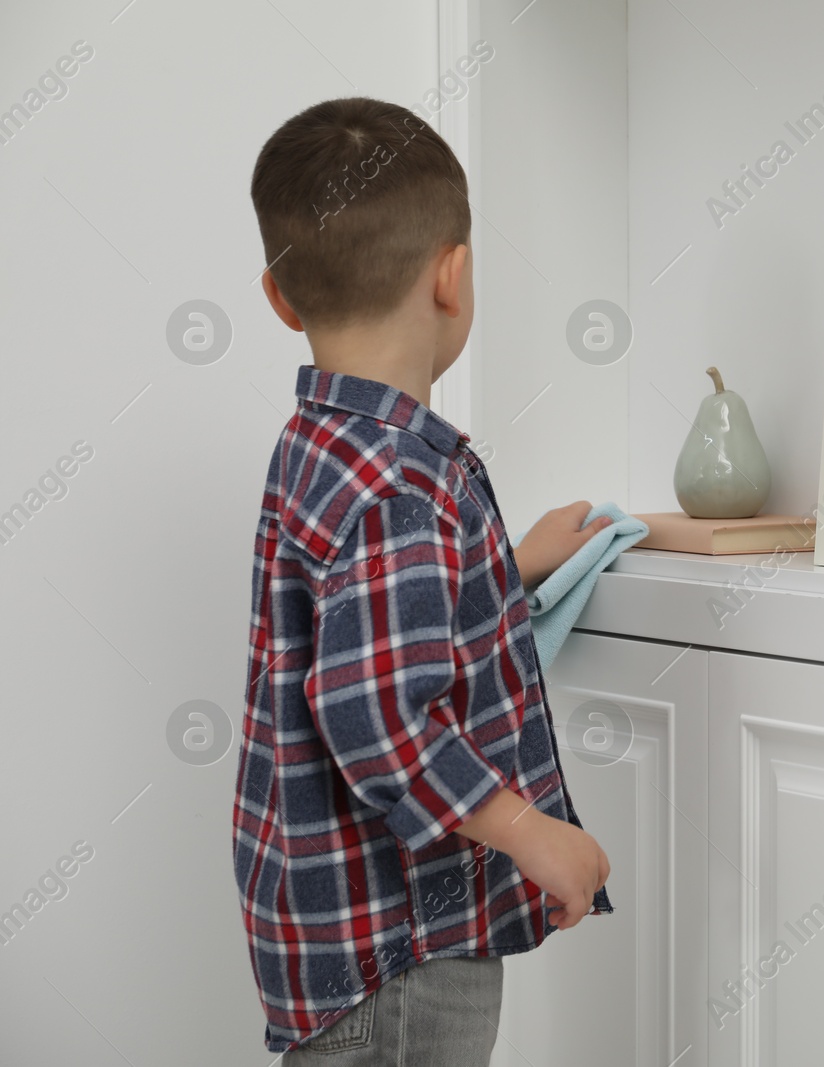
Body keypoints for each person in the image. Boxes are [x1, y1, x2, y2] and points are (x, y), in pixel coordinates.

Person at [234, 96, 613, 1063]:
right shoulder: (402, 483)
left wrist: (508, 564)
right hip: (401, 949)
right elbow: (375, 715)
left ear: (280, 298)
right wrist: (532, 832)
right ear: (455, 277)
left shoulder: (321, 445)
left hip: (334, 931)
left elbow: (353, 617)